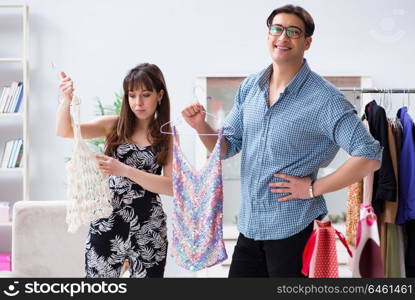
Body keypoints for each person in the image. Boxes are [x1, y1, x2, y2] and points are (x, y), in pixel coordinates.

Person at [181, 4, 382, 277]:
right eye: (277, 29)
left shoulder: (325, 100)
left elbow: (369, 155)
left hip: (294, 230)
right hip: (250, 228)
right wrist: (200, 126)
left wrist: (313, 188)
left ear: (307, 42)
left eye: (293, 32)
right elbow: (228, 146)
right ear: (268, 35)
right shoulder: (251, 87)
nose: (283, 37)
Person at [56, 63, 172, 278]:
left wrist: (125, 170)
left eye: (146, 94)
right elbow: (65, 131)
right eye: (132, 95)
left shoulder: (167, 135)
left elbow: (171, 186)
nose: (138, 103)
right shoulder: (114, 126)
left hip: (149, 226)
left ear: (160, 95)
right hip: (107, 221)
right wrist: (67, 99)